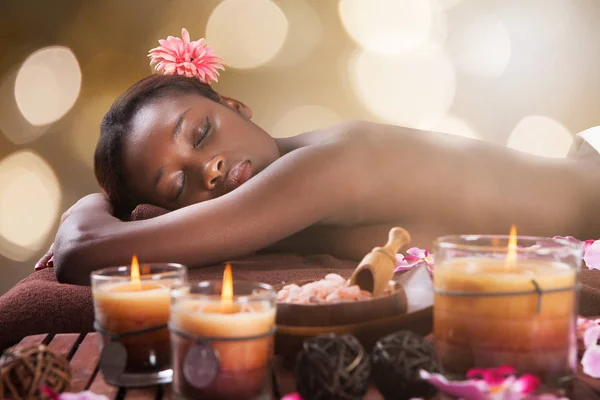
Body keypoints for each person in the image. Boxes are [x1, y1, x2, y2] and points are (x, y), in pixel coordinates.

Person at [37, 29, 600, 285]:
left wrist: (91, 203)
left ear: (235, 105)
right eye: (179, 187)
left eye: (202, 133)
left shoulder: (327, 165)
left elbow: (85, 251)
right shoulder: (286, 218)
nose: (206, 169)